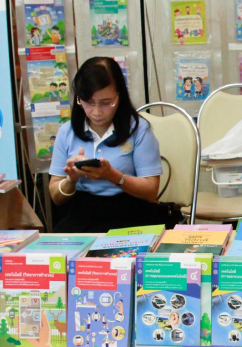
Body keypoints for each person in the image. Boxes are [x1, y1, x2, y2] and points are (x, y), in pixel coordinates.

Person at [48, 56, 167, 232]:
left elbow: (151, 192)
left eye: (106, 103)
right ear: (79, 98)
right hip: (82, 215)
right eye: (89, 102)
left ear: (119, 96)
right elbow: (56, 197)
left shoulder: (139, 129)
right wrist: (71, 180)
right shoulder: (67, 131)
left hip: (131, 215)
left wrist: (112, 175)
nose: (96, 112)